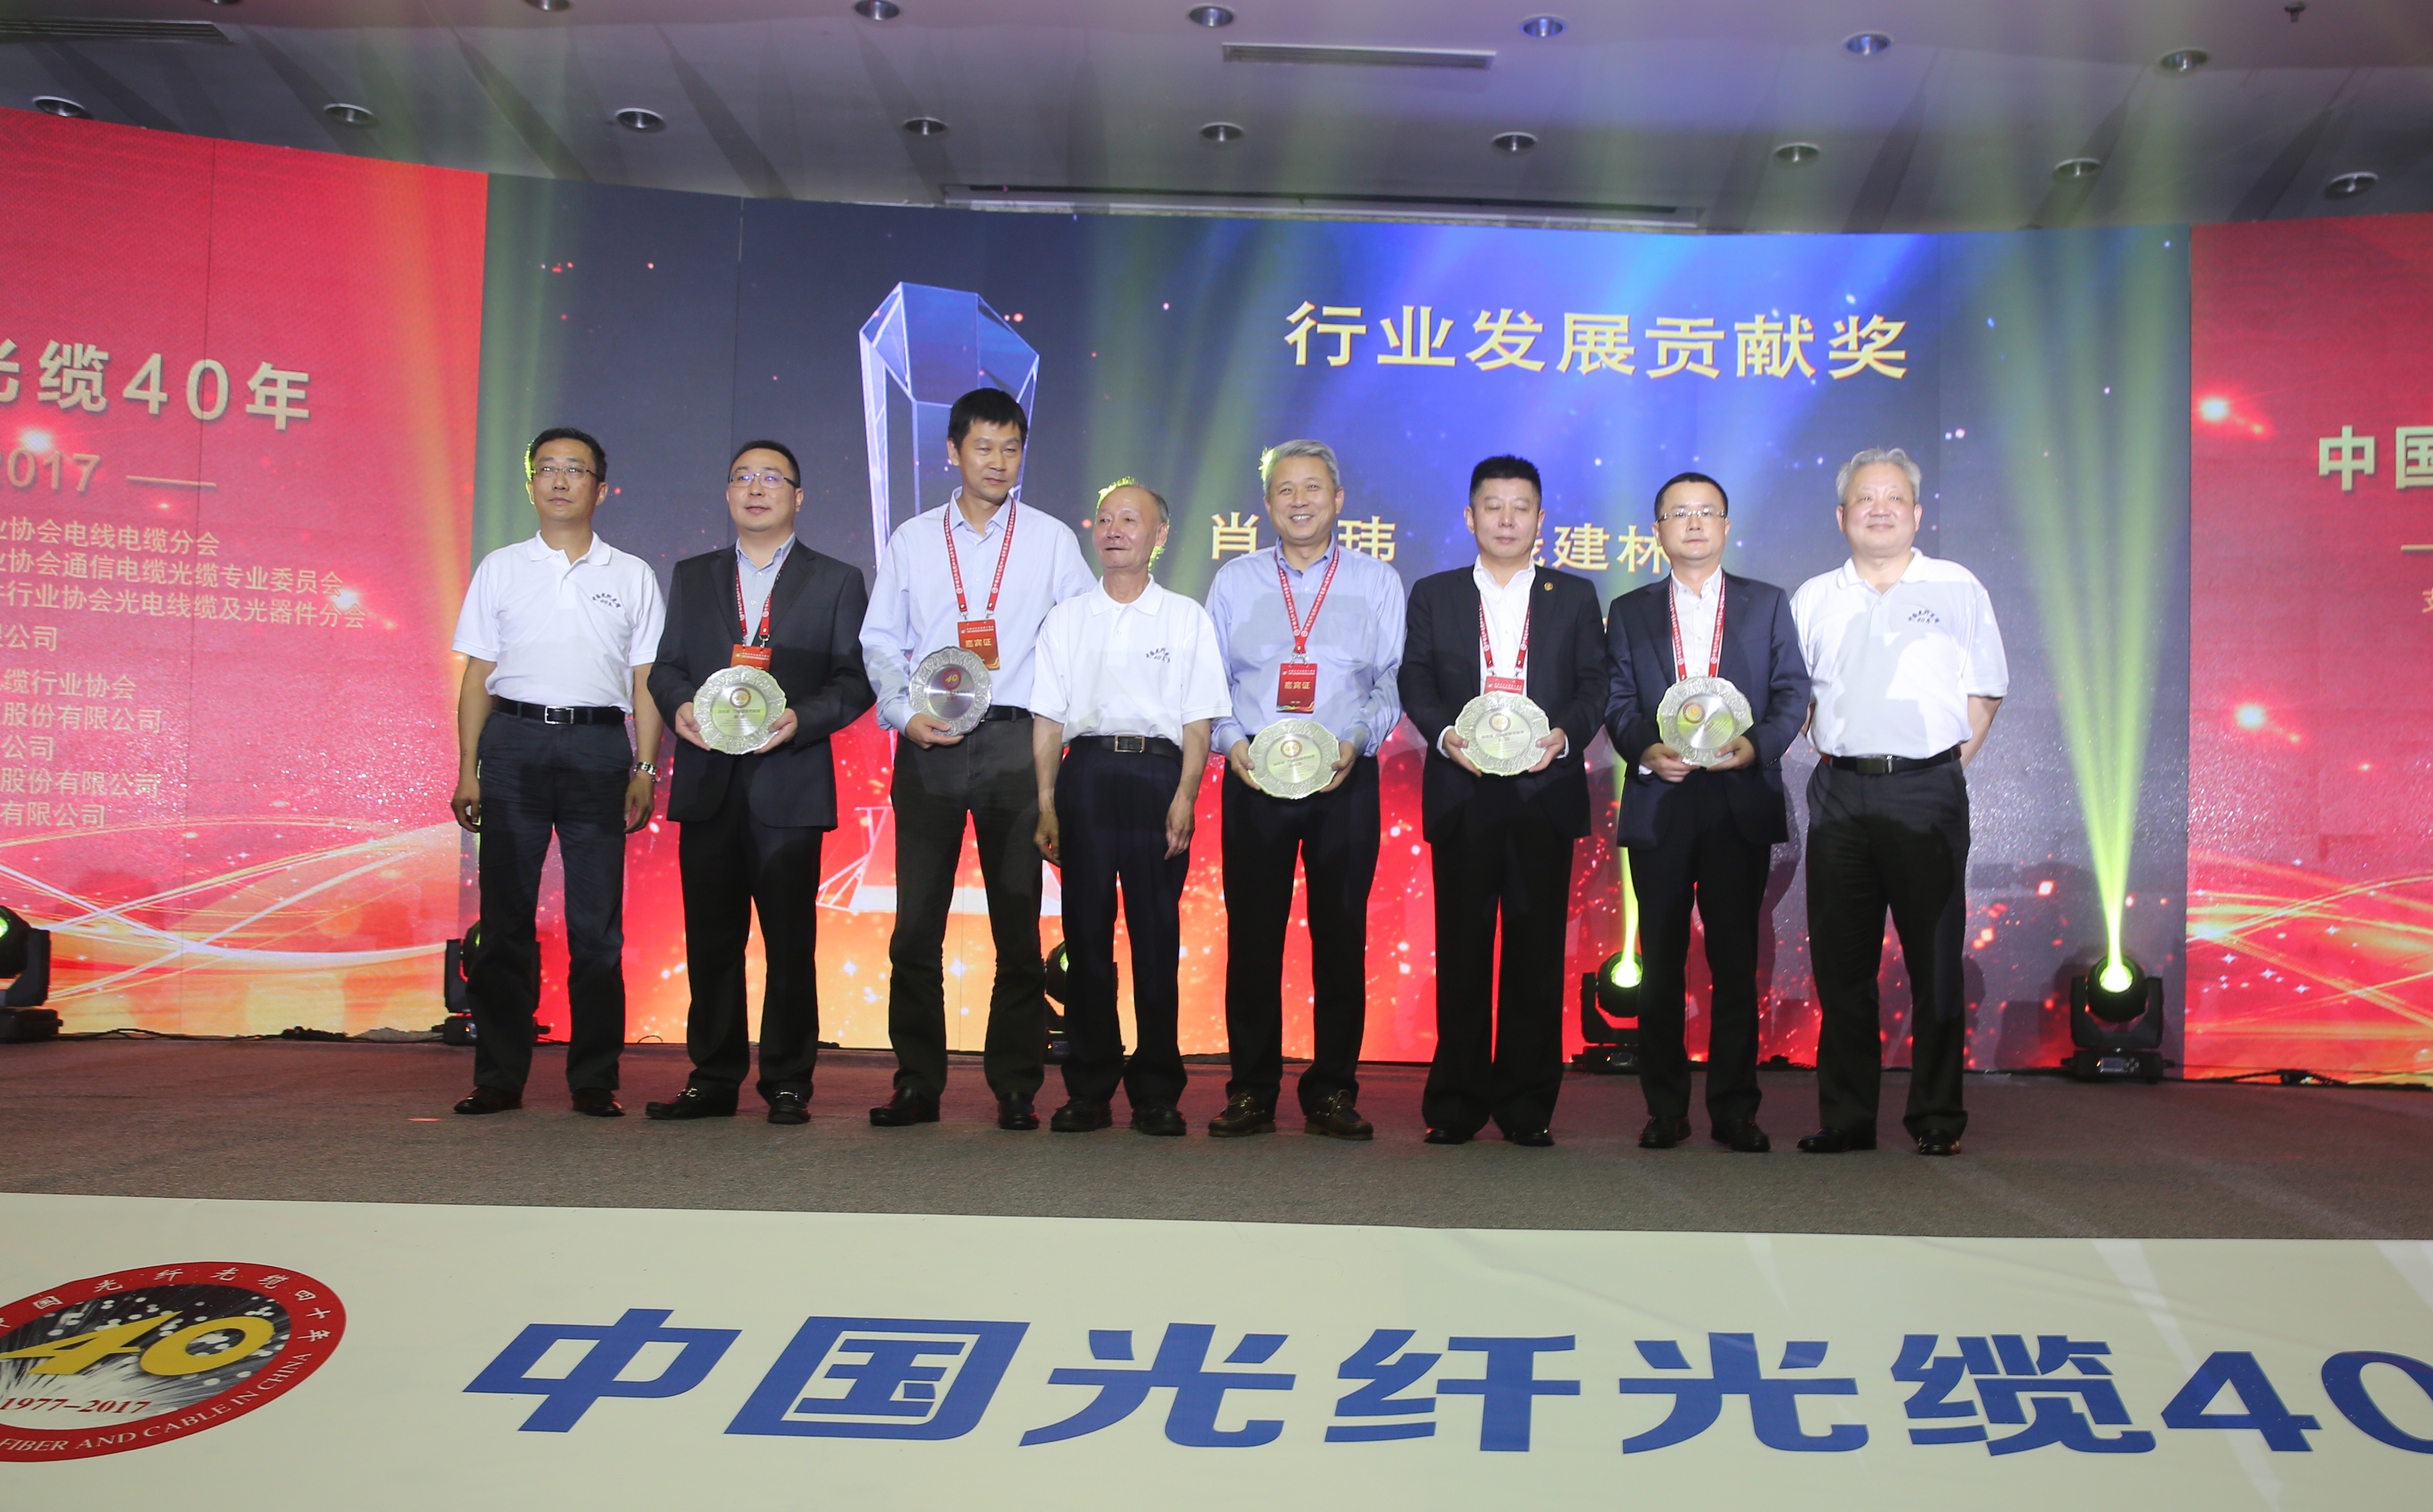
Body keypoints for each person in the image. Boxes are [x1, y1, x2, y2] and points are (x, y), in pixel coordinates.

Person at [860, 388, 1096, 1131]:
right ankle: (916, 1082)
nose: (998, 462)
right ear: (954, 452)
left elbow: (1082, 638)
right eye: (984, 447)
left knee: (1017, 927)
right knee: (915, 928)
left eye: (1011, 448)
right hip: (931, 742)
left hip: (1017, 744)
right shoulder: (914, 539)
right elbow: (879, 640)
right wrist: (903, 715)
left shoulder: (1052, 540)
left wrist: (1057, 733)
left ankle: (1017, 1085)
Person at [640, 441, 874, 1127]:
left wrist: (802, 719)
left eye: (772, 478)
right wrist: (681, 706)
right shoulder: (694, 575)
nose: (755, 488)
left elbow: (855, 681)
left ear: (797, 497)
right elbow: (666, 667)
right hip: (709, 779)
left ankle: (788, 1081)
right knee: (711, 941)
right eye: (742, 477)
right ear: (728, 494)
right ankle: (713, 1077)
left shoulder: (836, 580)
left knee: (789, 943)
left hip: (789, 782)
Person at [1790, 447, 2007, 1157]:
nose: (1878, 509)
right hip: (1840, 791)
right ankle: (1847, 1118)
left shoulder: (1956, 587)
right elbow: (1793, 700)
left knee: (1935, 964)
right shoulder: (1814, 598)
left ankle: (1937, 1117)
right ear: (1841, 516)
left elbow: (1985, 690)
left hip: (1926, 792)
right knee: (1842, 967)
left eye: (1893, 498)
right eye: (1865, 499)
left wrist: (1936, 767)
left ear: (1916, 513)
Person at [448, 427, 665, 1117]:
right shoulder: (501, 568)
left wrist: (644, 766)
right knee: (505, 921)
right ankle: (498, 1076)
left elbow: (648, 680)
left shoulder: (631, 574)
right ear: (531, 484)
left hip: (598, 750)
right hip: (512, 746)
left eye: (576, 470)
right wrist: (468, 769)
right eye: (548, 469)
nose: (561, 481)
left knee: (596, 927)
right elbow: (477, 676)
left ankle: (594, 1078)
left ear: (602, 488)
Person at [1398, 456, 1607, 1147]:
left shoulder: (1573, 595)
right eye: (1493, 506)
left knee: (1535, 956)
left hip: (1544, 789)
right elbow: (1416, 679)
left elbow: (1595, 684)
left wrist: (1564, 736)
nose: (1507, 519)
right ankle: (1456, 1104)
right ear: (1470, 516)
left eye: (1521, 507)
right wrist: (1445, 734)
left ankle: (1526, 1106)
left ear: (1541, 519)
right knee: (1461, 952)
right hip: (1465, 789)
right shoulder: (1435, 594)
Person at [1203, 439, 1405, 1140]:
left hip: (1343, 776)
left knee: (1341, 938)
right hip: (1255, 776)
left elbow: (1392, 680)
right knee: (1253, 939)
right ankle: (1251, 1090)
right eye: (1286, 490)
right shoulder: (1235, 581)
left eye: (1313, 488)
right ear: (1267, 504)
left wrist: (1360, 739)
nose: (1300, 501)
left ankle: (1332, 1092)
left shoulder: (1378, 581)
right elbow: (1210, 680)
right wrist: (1231, 743)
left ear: (1338, 499)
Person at [1604, 472, 1810, 1154]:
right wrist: (1645, 747)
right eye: (1679, 513)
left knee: (1735, 961)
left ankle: (1735, 1109)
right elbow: (1617, 699)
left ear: (1725, 526)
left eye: (1706, 512)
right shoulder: (1630, 610)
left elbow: (1792, 693)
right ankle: (1665, 1108)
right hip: (1661, 799)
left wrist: (1755, 748)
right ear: (1657, 531)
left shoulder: (1766, 603)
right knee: (1659, 964)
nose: (1693, 524)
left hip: (1736, 799)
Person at [1029, 482, 1228, 1135]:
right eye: (1106, 519)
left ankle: (1157, 1090)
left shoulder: (1185, 617)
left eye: (1130, 520)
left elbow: (1198, 721)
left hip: (1157, 777)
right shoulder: (1067, 618)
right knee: (1086, 939)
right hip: (1085, 776)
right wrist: (1047, 802)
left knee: (1155, 938)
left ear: (1159, 535)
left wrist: (1186, 795)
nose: (1115, 530)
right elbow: (1047, 719)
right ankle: (1089, 1085)